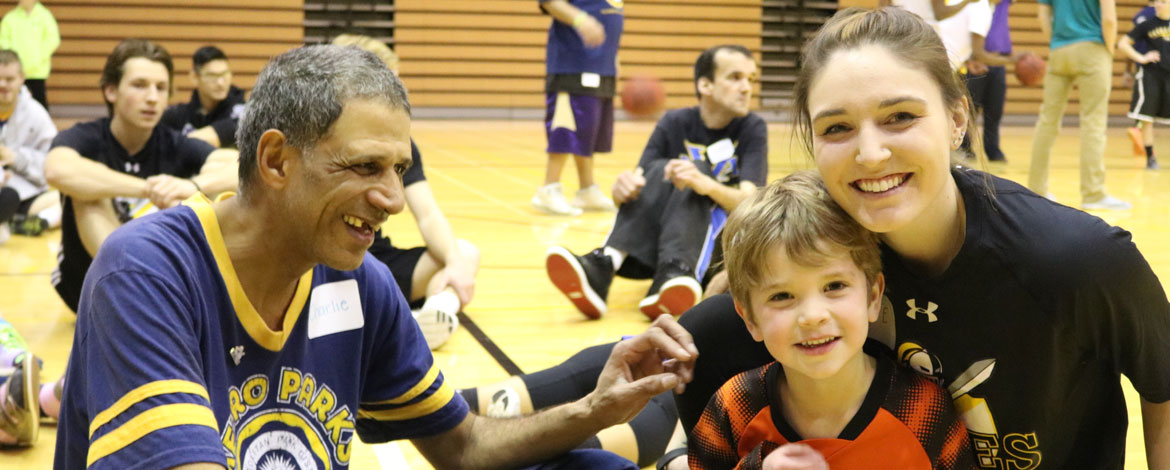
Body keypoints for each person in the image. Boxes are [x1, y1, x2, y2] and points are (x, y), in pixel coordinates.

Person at [53, 44, 699, 470]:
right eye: (364, 166)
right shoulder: (147, 271)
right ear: (276, 160)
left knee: (591, 463)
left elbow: (461, 444)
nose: (391, 198)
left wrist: (595, 409)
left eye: (399, 168)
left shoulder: (360, 284)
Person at [672, 7, 1170, 470]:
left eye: (900, 117)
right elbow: (700, 344)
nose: (869, 153)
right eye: (837, 127)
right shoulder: (822, 257)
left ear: (957, 119)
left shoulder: (1077, 259)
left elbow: (1163, 383)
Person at [688, 171, 974, 469]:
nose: (813, 316)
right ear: (751, 320)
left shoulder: (925, 409)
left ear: (873, 297)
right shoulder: (733, 407)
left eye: (834, 286)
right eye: (782, 296)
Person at [546, 45, 767, 320]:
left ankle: (678, 271)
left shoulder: (752, 128)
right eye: (735, 78)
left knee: (691, 169)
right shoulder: (674, 122)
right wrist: (621, 190)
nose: (747, 87)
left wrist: (704, 184)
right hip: (658, 247)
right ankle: (606, 264)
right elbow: (641, 180)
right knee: (659, 169)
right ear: (705, 85)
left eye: (751, 79)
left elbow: (752, 203)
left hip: (721, 252)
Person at [44, 38, 239, 315]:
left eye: (160, 88)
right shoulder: (86, 137)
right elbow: (56, 170)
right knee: (87, 191)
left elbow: (241, 166)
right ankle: (135, 290)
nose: (152, 97)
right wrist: (148, 188)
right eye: (139, 85)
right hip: (85, 286)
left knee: (205, 191)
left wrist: (192, 185)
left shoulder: (174, 143)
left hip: (155, 286)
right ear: (111, 91)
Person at [331, 33, 480, 350]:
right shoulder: (322, 135)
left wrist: (454, 263)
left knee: (465, 253)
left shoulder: (401, 145)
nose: (401, 96)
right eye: (390, 85)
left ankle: (431, 315)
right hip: (323, 260)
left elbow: (427, 213)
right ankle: (393, 322)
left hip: (373, 257)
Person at [1028, 0, 1129, 210]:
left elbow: (1042, 15)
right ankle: (1093, 194)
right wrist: (1108, 51)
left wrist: (1056, 41)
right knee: (1093, 122)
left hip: (1059, 50)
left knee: (1047, 121)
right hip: (1093, 48)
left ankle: (1036, 189)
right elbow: (1109, 20)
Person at [532, 0, 623, 216]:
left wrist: (614, 56)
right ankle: (549, 187)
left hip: (602, 63)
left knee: (589, 129)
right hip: (573, 62)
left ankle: (586, 189)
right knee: (566, 124)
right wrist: (581, 20)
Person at [0, 49, 58, 245]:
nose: (2, 85)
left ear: (22, 79)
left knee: (67, 199)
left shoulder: (37, 115)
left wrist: (16, 159)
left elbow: (52, 165)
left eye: (9, 79)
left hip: (25, 194)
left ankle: (25, 222)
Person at [959, 0, 1018, 163]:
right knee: (970, 108)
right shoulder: (975, 6)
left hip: (998, 60)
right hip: (975, 60)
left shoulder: (1003, 4)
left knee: (995, 110)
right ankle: (964, 147)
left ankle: (993, 150)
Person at [160, 45, 247, 149]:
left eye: (224, 74)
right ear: (194, 77)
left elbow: (231, 129)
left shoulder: (243, 112)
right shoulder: (176, 116)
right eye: (212, 76)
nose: (220, 82)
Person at [1119, 0, 1167, 171]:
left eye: (1163, 1)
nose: (1159, 5)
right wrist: (1141, 58)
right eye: (1158, 1)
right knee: (1146, 118)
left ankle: (1137, 130)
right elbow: (1123, 43)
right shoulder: (1147, 23)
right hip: (1151, 76)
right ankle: (1150, 158)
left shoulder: (1143, 16)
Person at [0, 0, 57, 110]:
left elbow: (52, 39)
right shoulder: (10, 18)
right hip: (15, 72)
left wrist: (38, 57)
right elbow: (3, 40)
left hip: (37, 71)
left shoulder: (45, 16)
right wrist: (15, 60)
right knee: (13, 102)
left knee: (40, 102)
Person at [1125, 1, 1157, 160]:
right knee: (1152, 107)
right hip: (1159, 65)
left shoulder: (1139, 15)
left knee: (1145, 104)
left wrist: (1127, 70)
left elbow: (1131, 41)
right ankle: (1138, 131)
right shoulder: (1161, 15)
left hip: (1140, 63)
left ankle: (1139, 131)